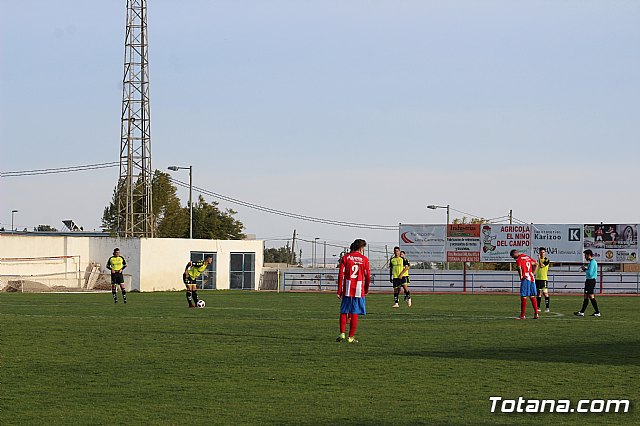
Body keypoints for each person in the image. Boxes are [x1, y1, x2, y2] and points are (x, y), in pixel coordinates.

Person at [336, 239, 370, 343]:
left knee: (344, 311)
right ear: (361, 248)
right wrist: (366, 288)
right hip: (358, 289)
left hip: (347, 288)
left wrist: (339, 290)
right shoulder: (364, 259)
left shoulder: (346, 257)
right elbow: (367, 276)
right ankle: (350, 337)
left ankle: (342, 334)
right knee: (354, 312)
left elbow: (341, 274)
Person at [510, 249, 539, 319]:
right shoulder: (527, 257)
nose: (513, 258)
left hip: (526, 278)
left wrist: (521, 276)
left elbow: (519, 268)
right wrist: (533, 273)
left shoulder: (518, 259)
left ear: (515, 254)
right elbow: (536, 264)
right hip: (531, 278)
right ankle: (536, 314)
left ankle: (522, 315)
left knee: (523, 296)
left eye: (512, 256)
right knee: (532, 296)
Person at [574, 249, 601, 317]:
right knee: (586, 296)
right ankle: (582, 312)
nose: (585, 257)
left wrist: (585, 269)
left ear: (588, 255)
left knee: (591, 296)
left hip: (590, 281)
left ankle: (597, 312)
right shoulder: (592, 262)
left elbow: (590, 273)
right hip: (589, 281)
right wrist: (586, 269)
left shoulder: (592, 262)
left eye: (585, 255)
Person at [535, 247, 551, 313]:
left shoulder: (546, 260)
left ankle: (547, 308)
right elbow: (536, 267)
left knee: (545, 293)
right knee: (538, 293)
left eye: (543, 252)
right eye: (541, 252)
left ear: (545, 253)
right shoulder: (537, 261)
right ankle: (538, 307)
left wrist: (539, 259)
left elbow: (542, 266)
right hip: (537, 278)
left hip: (543, 278)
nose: (542, 254)